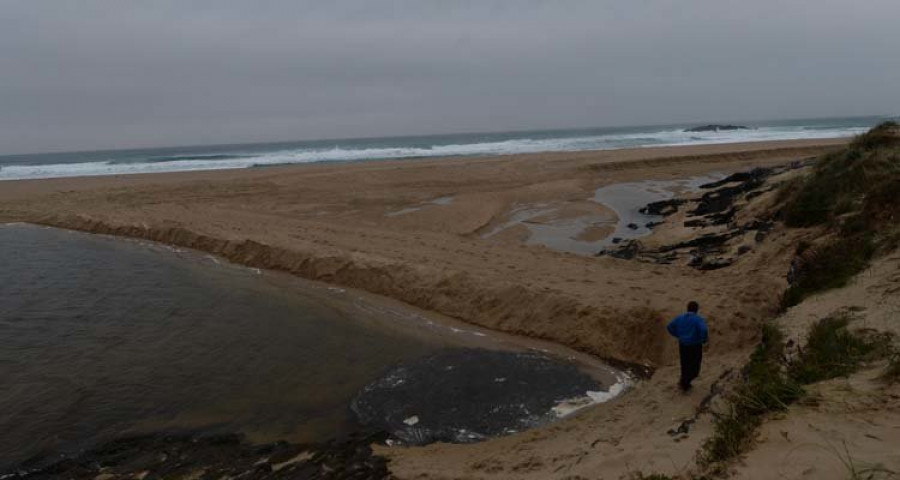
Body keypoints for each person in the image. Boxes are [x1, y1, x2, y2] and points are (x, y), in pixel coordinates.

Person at [666, 301, 708, 392]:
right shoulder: (698, 319)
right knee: (695, 365)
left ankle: (684, 382)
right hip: (695, 345)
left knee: (685, 364)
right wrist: (703, 339)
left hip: (683, 344)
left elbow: (669, 327)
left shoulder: (680, 318)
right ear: (696, 310)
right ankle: (685, 382)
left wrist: (677, 335)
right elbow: (704, 330)